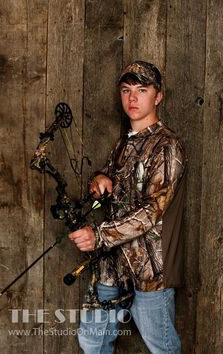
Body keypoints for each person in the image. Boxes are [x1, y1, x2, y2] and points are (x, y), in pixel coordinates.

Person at [69, 60, 187, 354]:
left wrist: (98, 236)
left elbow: (151, 211)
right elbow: (107, 178)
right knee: (93, 341)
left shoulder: (167, 146)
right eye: (126, 90)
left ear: (158, 96)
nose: (132, 98)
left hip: (150, 271)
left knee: (162, 347)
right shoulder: (123, 143)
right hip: (111, 267)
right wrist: (98, 179)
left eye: (142, 90)